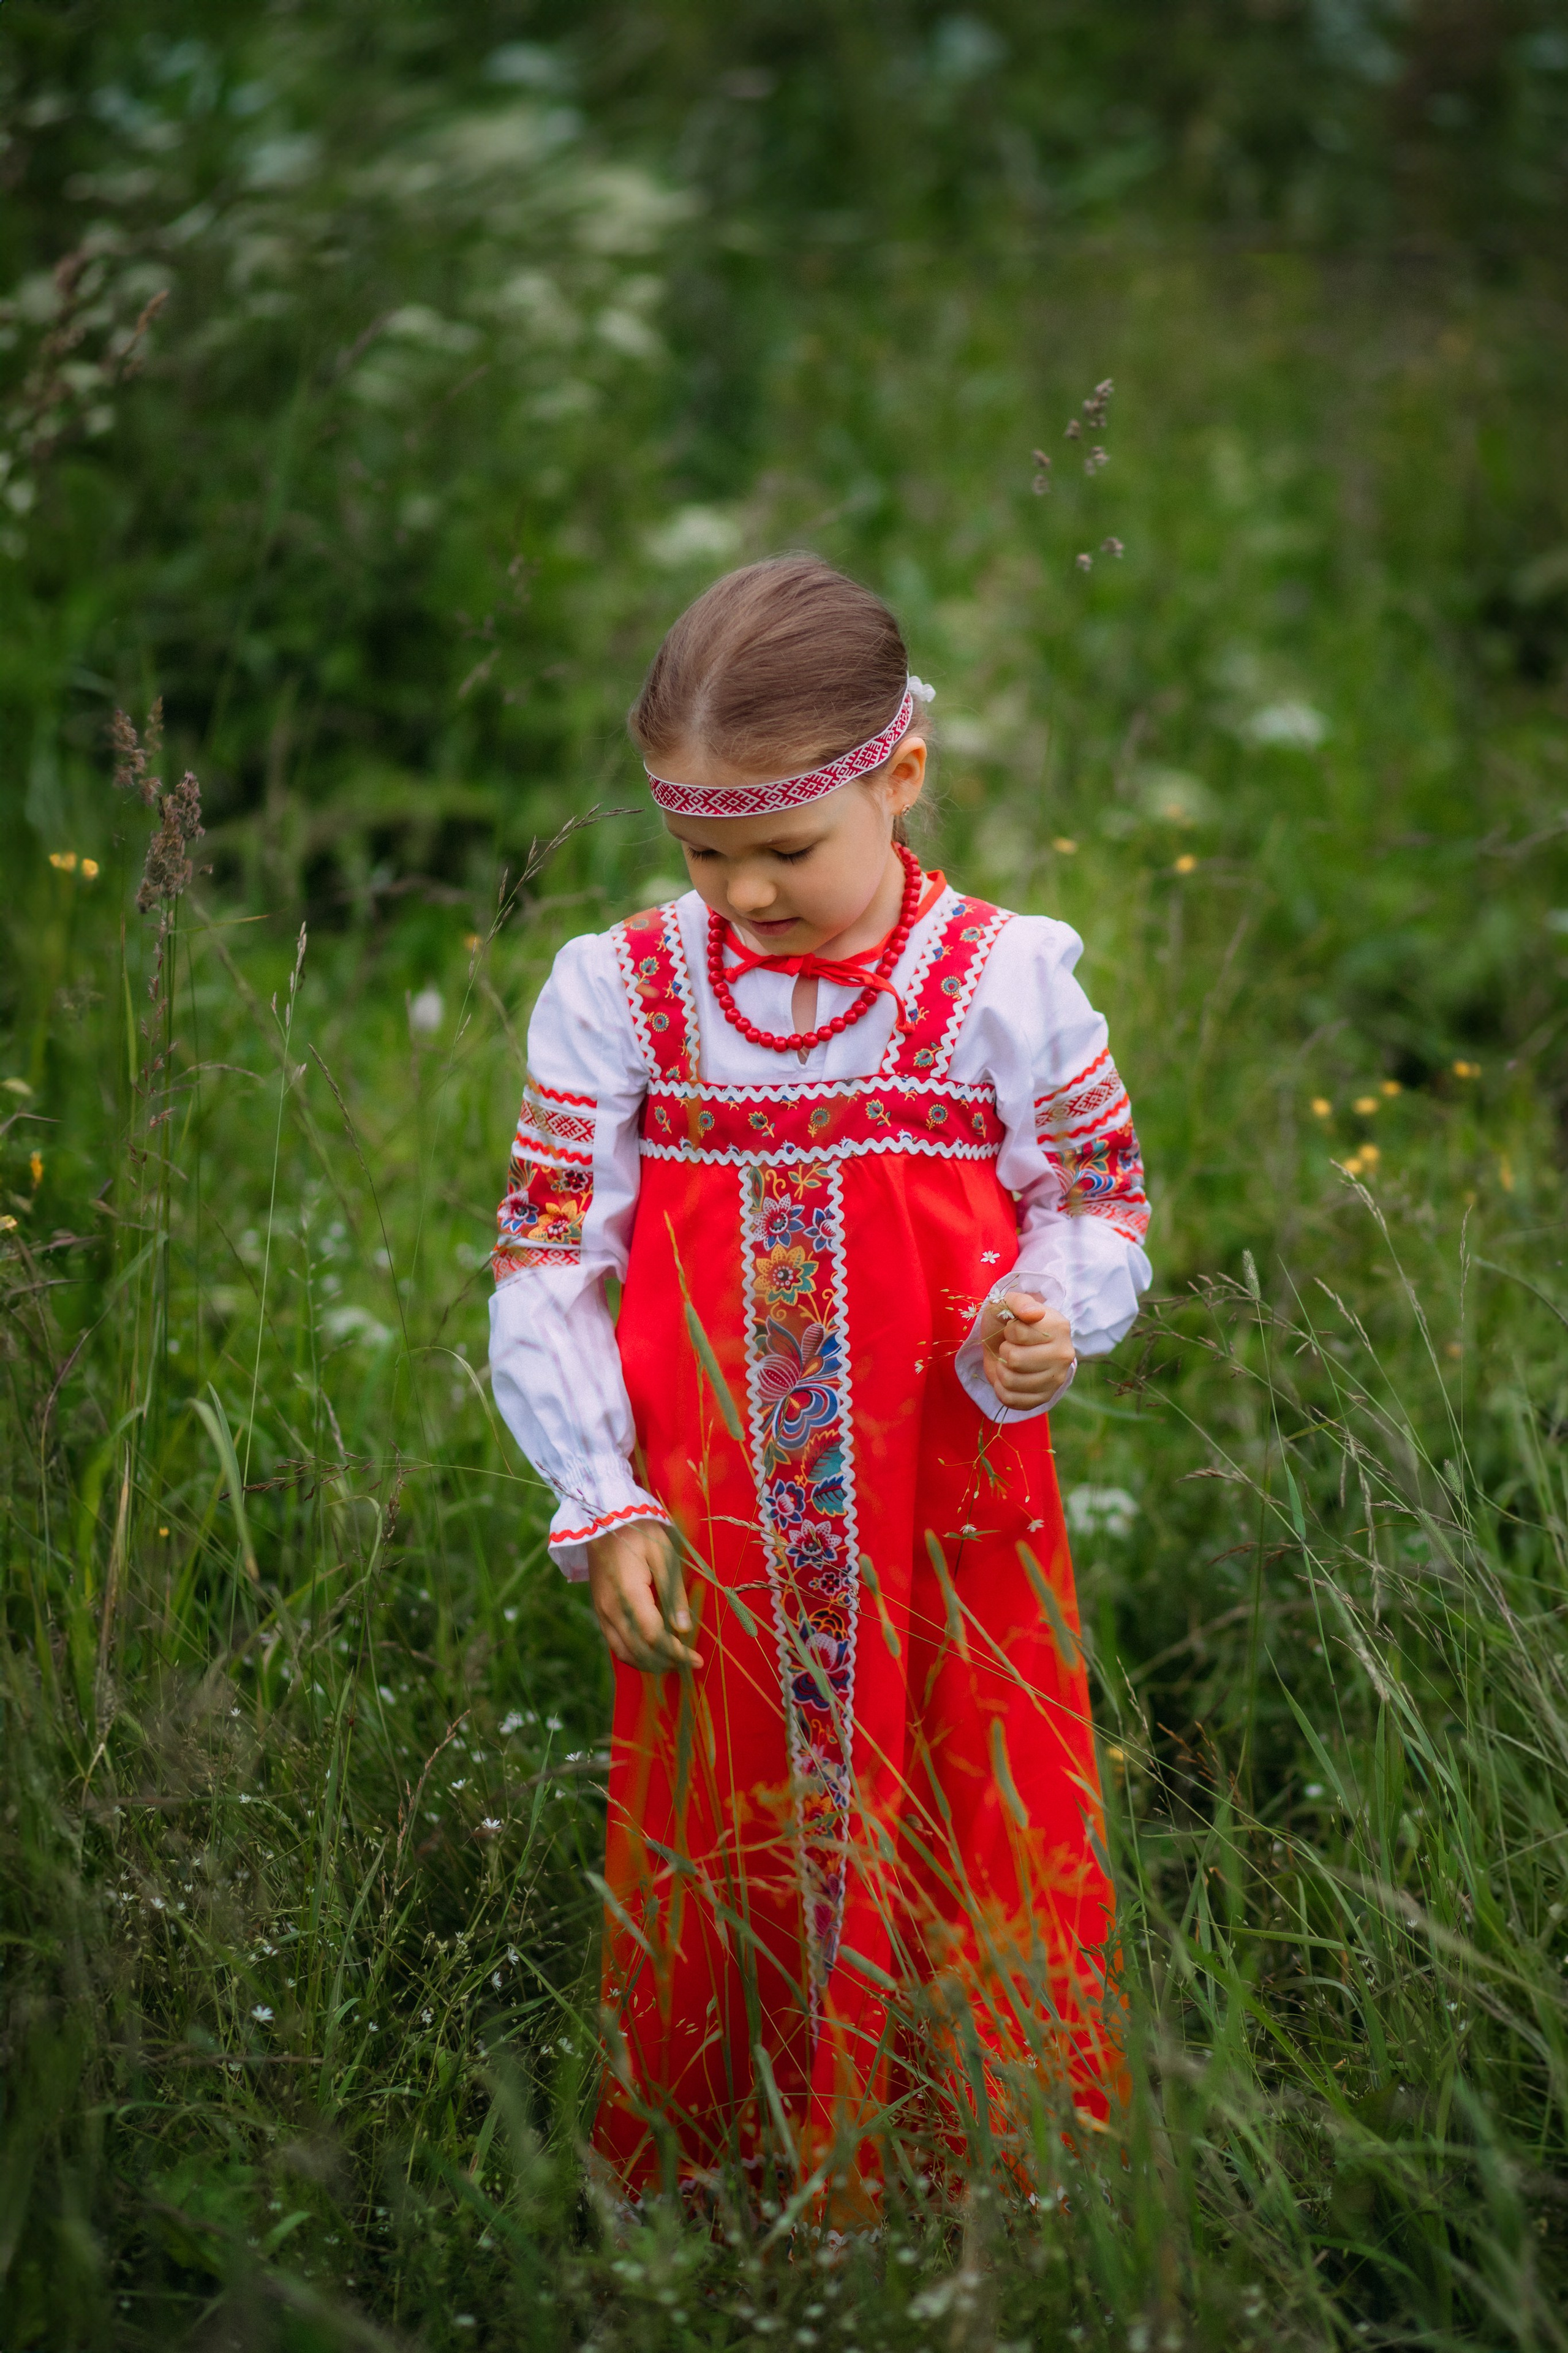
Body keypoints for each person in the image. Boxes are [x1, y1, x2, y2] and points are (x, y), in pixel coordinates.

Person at [488, 555, 1151, 2205]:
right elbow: (547, 1266)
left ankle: (980, 2202)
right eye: (703, 853)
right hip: (712, 1523)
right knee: (735, 1841)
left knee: (966, 1815)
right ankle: (727, 2209)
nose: (748, 894)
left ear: (901, 777)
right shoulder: (619, 993)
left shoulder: (1005, 980)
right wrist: (603, 1492)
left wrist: (1048, 1321)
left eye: (787, 850)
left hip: (952, 1511)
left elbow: (1101, 1202)